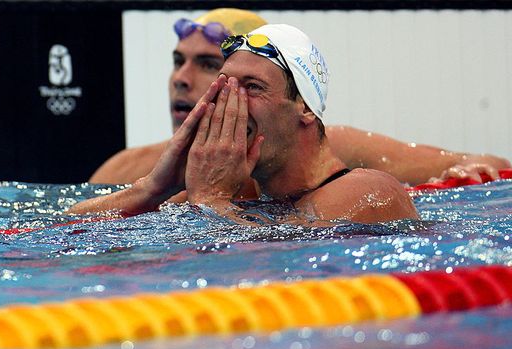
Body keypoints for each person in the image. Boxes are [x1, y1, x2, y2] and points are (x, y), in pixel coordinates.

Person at [89, 9, 509, 191]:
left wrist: (467, 173)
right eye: (177, 62)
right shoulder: (126, 168)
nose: (182, 80)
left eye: (205, 65)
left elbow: (486, 169)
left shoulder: (339, 155)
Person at [70, 24, 419, 225]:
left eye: (252, 88)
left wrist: (210, 199)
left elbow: (268, 271)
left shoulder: (368, 194)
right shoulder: (241, 196)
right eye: (224, 86)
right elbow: (65, 229)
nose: (229, 103)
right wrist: (149, 190)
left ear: (305, 107)